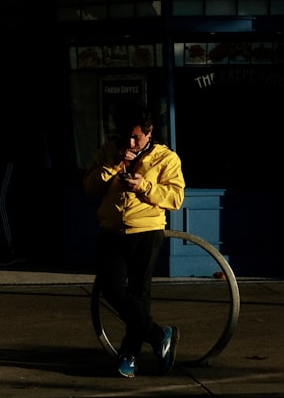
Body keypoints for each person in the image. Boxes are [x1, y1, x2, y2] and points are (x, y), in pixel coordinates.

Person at [83, 104, 185, 378]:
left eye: (136, 137)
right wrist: (112, 165)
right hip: (113, 231)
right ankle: (158, 334)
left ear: (149, 133)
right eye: (126, 136)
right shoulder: (110, 150)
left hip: (146, 230)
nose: (129, 142)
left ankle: (129, 354)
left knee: (140, 293)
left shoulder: (166, 158)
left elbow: (176, 198)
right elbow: (89, 185)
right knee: (113, 288)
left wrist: (144, 187)